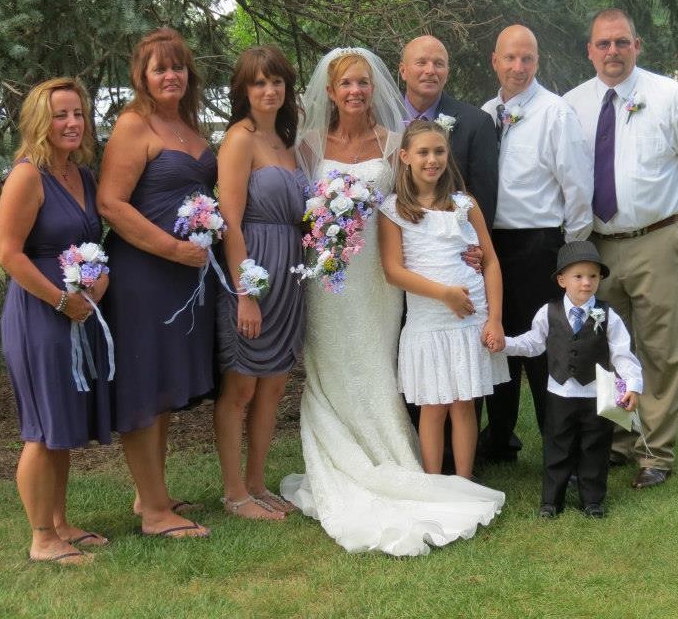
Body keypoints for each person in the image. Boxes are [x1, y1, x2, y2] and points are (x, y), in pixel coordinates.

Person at [280, 48, 504, 557]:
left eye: (363, 82)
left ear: (373, 87)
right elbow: (296, 212)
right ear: (330, 93)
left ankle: (398, 453)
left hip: (385, 281)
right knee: (333, 366)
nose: (356, 91)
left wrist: (461, 247)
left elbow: (424, 199)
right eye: (346, 85)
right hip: (331, 280)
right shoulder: (310, 146)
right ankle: (340, 455)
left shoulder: (395, 142)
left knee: (379, 365)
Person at [563, 9, 678, 489]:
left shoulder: (670, 97)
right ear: (589, 50)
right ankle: (617, 441)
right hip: (597, 249)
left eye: (621, 42)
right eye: (603, 44)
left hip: (655, 242)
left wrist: (660, 207)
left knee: (659, 349)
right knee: (606, 350)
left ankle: (656, 454)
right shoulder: (572, 104)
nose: (613, 52)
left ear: (637, 45)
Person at [98, 28, 213, 538]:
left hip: (182, 279)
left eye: (178, 67)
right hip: (143, 275)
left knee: (164, 387)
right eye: (159, 69)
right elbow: (111, 204)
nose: (170, 76)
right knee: (144, 388)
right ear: (141, 77)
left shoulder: (186, 123)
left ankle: (151, 494)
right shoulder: (133, 125)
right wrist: (173, 249)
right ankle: (154, 514)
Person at [0, 77, 112, 564]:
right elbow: (8, 253)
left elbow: (91, 242)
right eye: (60, 115)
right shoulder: (28, 176)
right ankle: (42, 536)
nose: (71, 123)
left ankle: (61, 521)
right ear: (40, 122)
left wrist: (97, 281)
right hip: (39, 313)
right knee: (42, 427)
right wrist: (61, 302)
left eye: (78, 114)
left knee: (61, 420)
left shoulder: (81, 175)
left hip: (76, 310)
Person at [478, 24, 593, 464]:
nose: (518, 67)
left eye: (527, 58)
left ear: (537, 62)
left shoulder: (555, 112)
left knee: (544, 349)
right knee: (499, 342)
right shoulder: (486, 113)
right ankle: (501, 436)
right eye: (510, 58)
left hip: (540, 246)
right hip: (493, 248)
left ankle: (559, 445)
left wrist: (569, 253)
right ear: (495, 60)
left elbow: (579, 190)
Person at [378, 120, 508, 479]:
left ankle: (464, 480)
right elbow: (393, 271)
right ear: (405, 157)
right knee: (433, 405)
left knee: (464, 403)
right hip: (429, 321)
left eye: (439, 151)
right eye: (423, 152)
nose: (432, 159)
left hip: (471, 319)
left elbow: (491, 260)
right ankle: (434, 480)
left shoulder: (464, 205)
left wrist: (494, 318)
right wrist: (445, 294)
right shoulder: (393, 210)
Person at [213, 46, 307, 521]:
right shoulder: (239, 139)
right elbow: (229, 221)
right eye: (258, 83)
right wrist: (245, 294)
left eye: (277, 81)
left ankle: (256, 483)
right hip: (253, 271)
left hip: (290, 274)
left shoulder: (286, 141)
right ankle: (233, 494)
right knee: (241, 390)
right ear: (243, 91)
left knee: (272, 388)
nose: (269, 90)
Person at [491, 241, 643, 518]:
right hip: (559, 395)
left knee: (594, 449)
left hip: (597, 396)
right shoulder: (548, 313)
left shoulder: (608, 316)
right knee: (557, 447)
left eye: (593, 276)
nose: (586, 283)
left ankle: (593, 500)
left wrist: (633, 384)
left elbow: (622, 353)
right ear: (562, 280)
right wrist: (506, 345)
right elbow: (533, 343)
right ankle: (551, 501)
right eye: (578, 276)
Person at [399, 35, 498, 227]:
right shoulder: (381, 119)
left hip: (451, 243)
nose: (430, 71)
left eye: (439, 64)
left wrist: (476, 246)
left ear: (447, 72)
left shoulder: (476, 123)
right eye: (421, 63)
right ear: (403, 70)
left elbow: (483, 197)